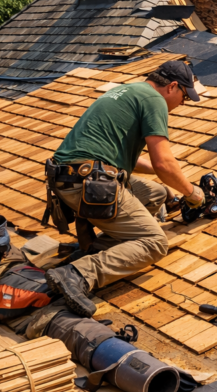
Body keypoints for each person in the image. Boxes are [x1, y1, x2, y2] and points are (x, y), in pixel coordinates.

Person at [43, 61, 208, 317]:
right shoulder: (154, 100)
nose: (182, 103)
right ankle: (75, 275)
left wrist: (161, 172)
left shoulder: (130, 90)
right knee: (154, 243)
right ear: (172, 86)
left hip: (72, 178)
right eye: (184, 96)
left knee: (155, 194)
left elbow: (152, 164)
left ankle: (95, 252)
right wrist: (192, 193)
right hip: (89, 184)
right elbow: (164, 162)